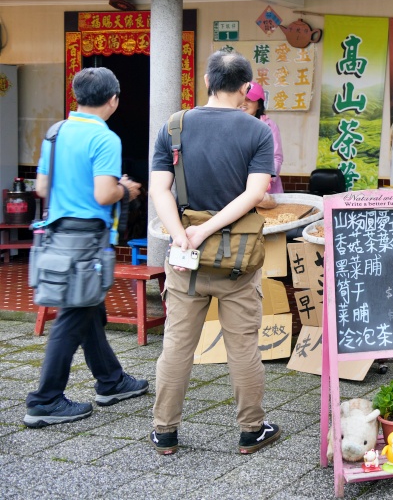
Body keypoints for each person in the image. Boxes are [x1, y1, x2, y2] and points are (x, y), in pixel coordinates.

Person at [148, 50, 280, 456]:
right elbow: (256, 193)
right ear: (245, 89)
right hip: (238, 260)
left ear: (206, 80)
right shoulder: (257, 132)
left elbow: (159, 189)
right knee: (242, 347)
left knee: (177, 346)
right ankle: (250, 430)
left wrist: (182, 234)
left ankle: (165, 432)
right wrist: (207, 229)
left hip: (185, 258)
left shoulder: (174, 126)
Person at [23, 67, 147, 428]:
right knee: (73, 316)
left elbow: (42, 188)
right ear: (113, 100)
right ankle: (44, 400)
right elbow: (104, 193)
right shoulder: (105, 138)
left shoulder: (56, 133)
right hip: (88, 239)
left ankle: (111, 381)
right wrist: (127, 189)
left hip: (57, 235)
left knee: (88, 308)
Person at [241, 81, 283, 194]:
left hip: (265, 189)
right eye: (242, 98)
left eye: (249, 100)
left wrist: (265, 181)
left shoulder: (269, 126)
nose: (244, 103)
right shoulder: (230, 124)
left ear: (259, 104)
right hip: (237, 188)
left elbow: (276, 158)